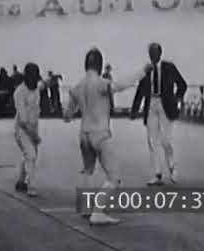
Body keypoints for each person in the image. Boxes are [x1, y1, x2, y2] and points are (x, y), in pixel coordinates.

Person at [64, 47, 151, 225]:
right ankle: (98, 212)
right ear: (100, 64)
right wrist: (142, 72)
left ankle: (85, 207)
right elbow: (121, 85)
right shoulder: (101, 83)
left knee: (87, 170)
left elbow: (67, 115)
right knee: (114, 177)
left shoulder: (76, 87)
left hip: (83, 134)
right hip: (100, 134)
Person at [131, 42, 187, 186]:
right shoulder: (147, 70)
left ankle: (172, 168)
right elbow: (141, 90)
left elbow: (182, 84)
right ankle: (157, 174)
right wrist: (135, 109)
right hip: (151, 105)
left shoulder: (169, 67)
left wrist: (178, 98)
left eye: (154, 53)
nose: (152, 56)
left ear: (159, 54)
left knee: (166, 140)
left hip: (165, 105)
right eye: (150, 53)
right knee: (152, 141)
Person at [13, 63, 42, 197]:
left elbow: (43, 85)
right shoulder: (19, 92)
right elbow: (23, 121)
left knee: (29, 156)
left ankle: (20, 181)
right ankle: (32, 186)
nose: (36, 81)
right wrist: (34, 136)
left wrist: (54, 79)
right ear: (27, 77)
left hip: (34, 127)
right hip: (22, 130)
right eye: (34, 78)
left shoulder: (36, 88)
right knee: (31, 155)